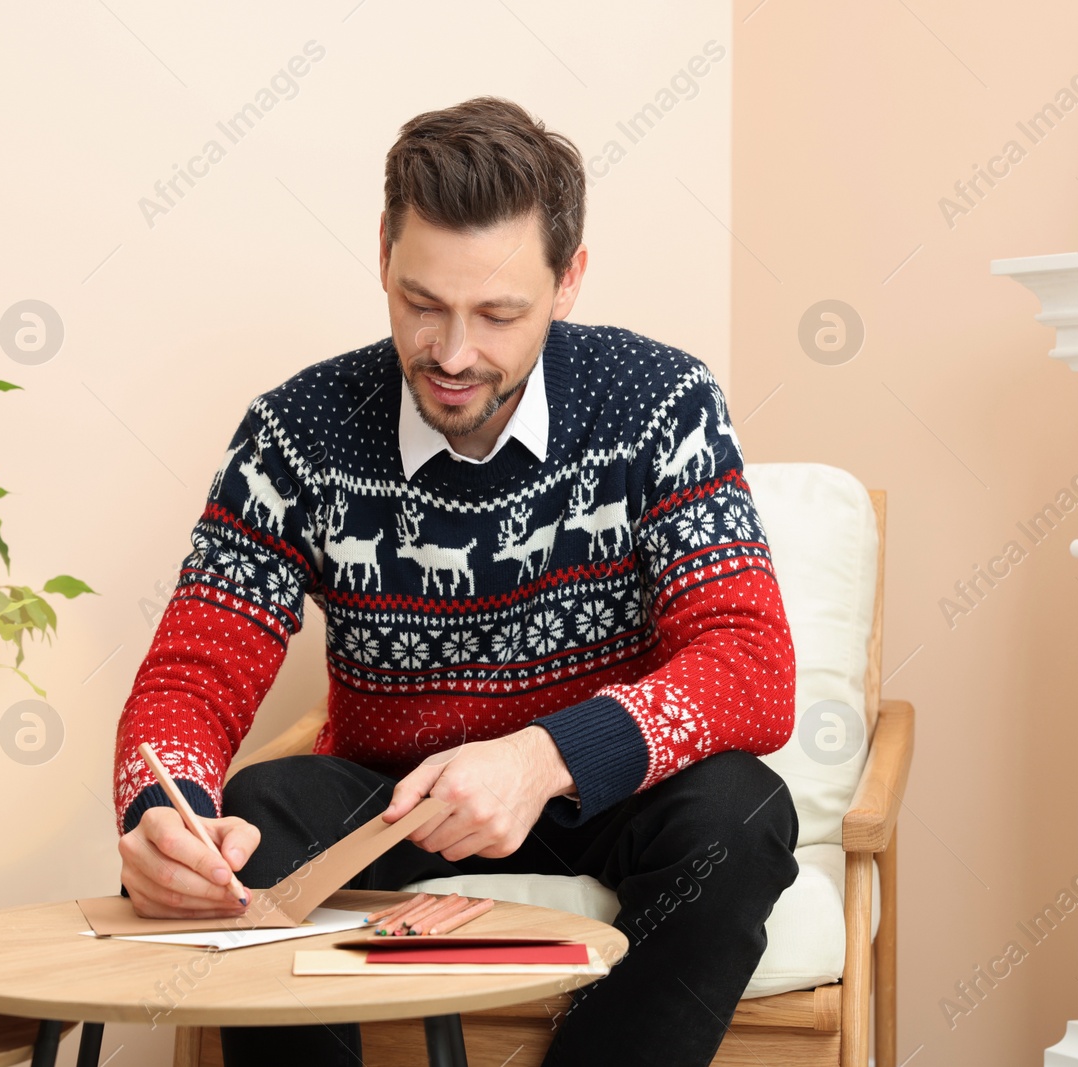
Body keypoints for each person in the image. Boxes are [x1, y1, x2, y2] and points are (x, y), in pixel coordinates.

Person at [110, 95, 799, 1067]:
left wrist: (541, 756)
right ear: (386, 250)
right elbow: (192, 674)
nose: (454, 354)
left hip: (601, 794)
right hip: (396, 802)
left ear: (568, 282)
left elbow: (751, 664)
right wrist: (161, 812)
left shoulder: (662, 403)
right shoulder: (293, 433)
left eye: (498, 313)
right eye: (422, 303)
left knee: (744, 813)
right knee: (257, 811)